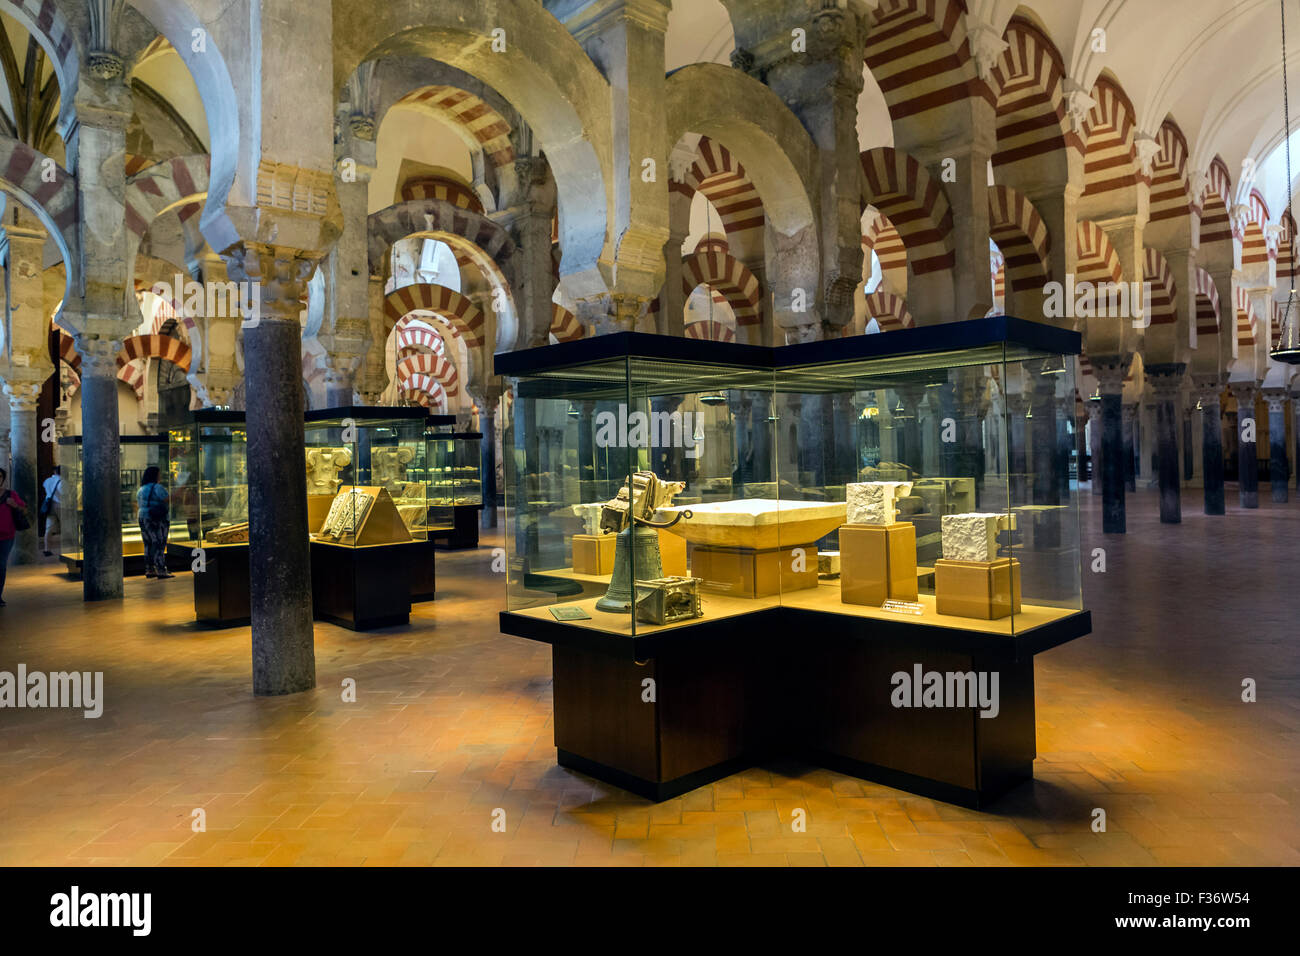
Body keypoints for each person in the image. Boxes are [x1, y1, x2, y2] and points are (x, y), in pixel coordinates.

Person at [137, 466, 173, 579]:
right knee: (159, 543)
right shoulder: (157, 488)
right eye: (159, 473)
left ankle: (150, 569)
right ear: (155, 475)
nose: (160, 476)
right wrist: (178, 493)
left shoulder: (141, 489)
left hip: (143, 517)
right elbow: (167, 499)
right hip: (156, 518)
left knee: (148, 544)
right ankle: (161, 570)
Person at [0, 467, 29, 606]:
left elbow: (24, 510)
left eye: (0, 476)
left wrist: (14, 505)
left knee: (1, 565)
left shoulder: (11, 494)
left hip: (6, 536)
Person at [41, 465, 62, 557]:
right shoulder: (62, 482)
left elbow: (45, 487)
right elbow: (65, 494)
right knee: (68, 527)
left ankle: (47, 549)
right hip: (60, 505)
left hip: (50, 505)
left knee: (48, 529)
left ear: (55, 472)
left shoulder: (47, 480)